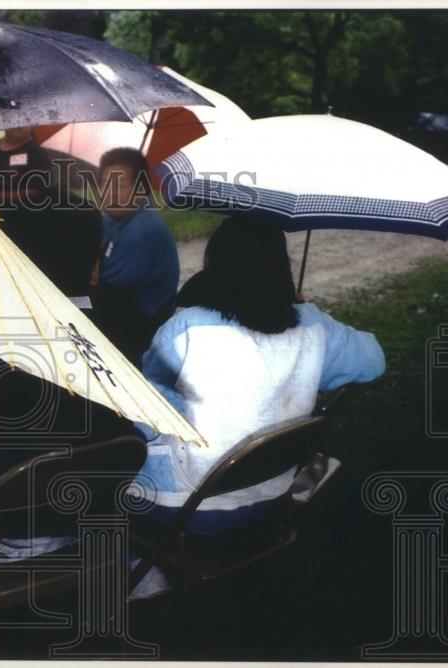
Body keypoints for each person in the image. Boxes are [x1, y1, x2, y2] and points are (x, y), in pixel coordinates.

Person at [131, 217, 386, 533]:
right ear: (282, 268)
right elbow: (374, 360)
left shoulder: (186, 328)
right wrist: (308, 315)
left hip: (185, 506)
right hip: (271, 492)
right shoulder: (315, 326)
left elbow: (144, 414)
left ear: (213, 267)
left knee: (107, 464)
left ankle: (136, 569)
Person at [90, 148, 179, 365]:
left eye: (120, 186)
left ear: (141, 189)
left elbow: (102, 287)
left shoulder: (140, 232)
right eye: (105, 184)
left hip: (143, 327)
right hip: (122, 307)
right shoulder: (115, 217)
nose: (110, 193)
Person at [0, 126, 54, 204]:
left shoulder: (38, 154)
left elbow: (38, 192)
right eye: (11, 122)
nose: (16, 125)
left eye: (21, 121)